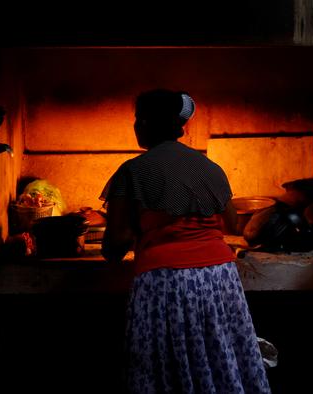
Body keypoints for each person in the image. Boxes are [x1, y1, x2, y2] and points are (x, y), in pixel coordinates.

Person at [100, 89, 271, 393]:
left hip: (164, 282)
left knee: (165, 367)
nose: (135, 126)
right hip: (219, 279)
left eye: (138, 119)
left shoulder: (132, 172)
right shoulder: (210, 168)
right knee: (217, 354)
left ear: (148, 123)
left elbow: (115, 245)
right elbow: (231, 223)